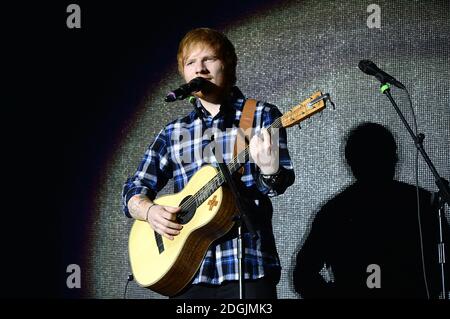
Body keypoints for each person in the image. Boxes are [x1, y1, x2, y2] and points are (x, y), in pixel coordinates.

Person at [122, 27, 295, 298]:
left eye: (209, 59)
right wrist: (149, 212)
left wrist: (271, 171)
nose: (199, 69)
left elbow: (277, 184)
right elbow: (134, 188)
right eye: (191, 63)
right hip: (186, 271)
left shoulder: (260, 115)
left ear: (227, 64)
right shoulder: (173, 132)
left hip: (246, 265)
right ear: (184, 75)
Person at [293, 122, 449, 299]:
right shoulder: (423, 202)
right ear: (393, 159)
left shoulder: (333, 212)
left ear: (351, 163)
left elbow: (303, 275)